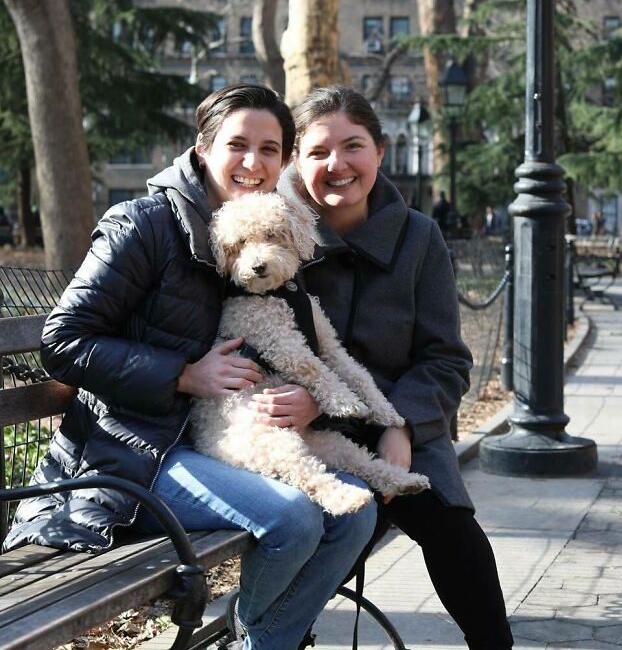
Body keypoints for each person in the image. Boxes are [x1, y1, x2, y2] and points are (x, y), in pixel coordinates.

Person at [4, 84, 376, 650]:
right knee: (293, 519)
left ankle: (261, 639)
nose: (253, 163)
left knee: (354, 513)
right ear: (202, 148)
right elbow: (61, 342)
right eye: (238, 145)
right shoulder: (144, 224)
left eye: (271, 149)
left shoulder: (263, 232)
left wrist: (315, 400)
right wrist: (181, 373)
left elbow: (298, 348)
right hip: (130, 456)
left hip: (217, 441)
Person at [269, 85, 513, 650]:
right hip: (300, 431)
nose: (337, 165)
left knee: (451, 526)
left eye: (353, 146)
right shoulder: (270, 229)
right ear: (295, 160)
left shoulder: (420, 238)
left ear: (381, 151)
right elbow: (255, 340)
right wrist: (317, 405)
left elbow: (447, 360)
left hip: (401, 426)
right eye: (318, 151)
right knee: (304, 527)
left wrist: (399, 423)